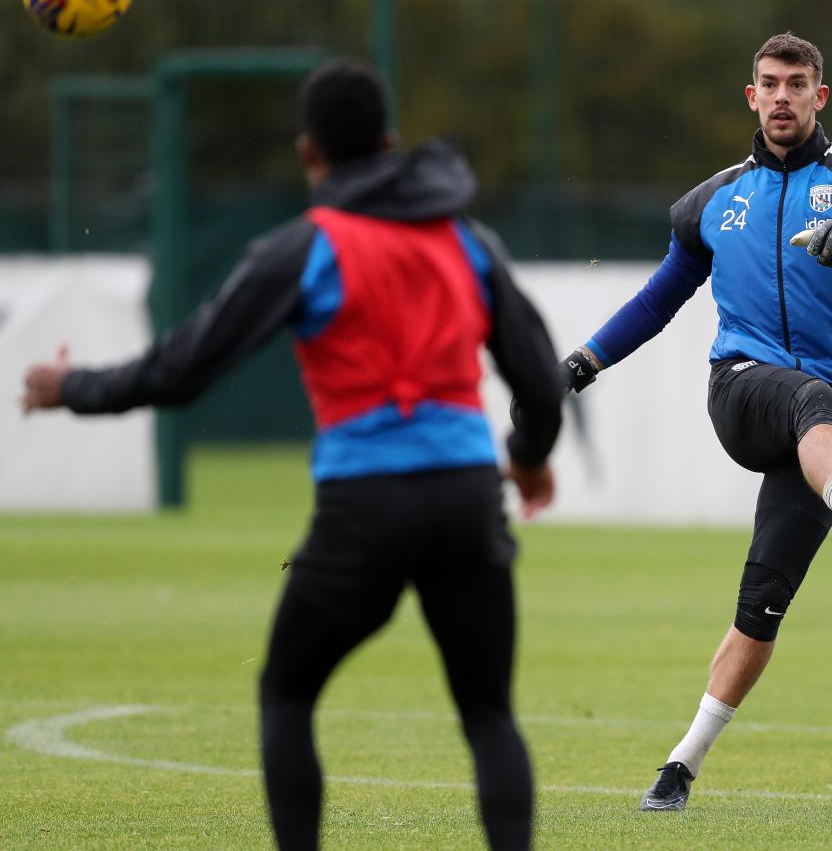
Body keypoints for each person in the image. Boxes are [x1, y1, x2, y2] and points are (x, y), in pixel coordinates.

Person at [21, 58, 563, 851]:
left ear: (309, 154)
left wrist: (73, 387)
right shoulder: (467, 241)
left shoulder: (306, 247)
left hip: (363, 508)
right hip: (463, 497)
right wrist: (529, 455)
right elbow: (539, 378)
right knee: (487, 713)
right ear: (388, 141)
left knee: (286, 693)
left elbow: (182, 369)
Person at [559, 33, 832, 811]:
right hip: (743, 393)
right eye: (770, 83)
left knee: (761, 605)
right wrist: (584, 363)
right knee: (809, 398)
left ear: (820, 96)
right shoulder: (711, 201)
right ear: (751, 95)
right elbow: (660, 300)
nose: (783, 96)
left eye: (798, 84)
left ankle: (679, 768)